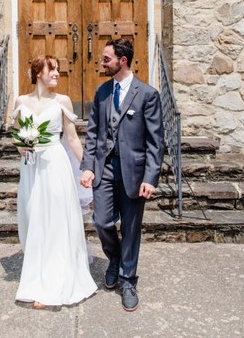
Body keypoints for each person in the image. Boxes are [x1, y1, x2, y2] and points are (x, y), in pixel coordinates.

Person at [80, 38, 164, 312]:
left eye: (106, 59)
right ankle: (114, 258)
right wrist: (88, 166)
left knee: (131, 229)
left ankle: (128, 279)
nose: (102, 63)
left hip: (134, 172)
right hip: (104, 169)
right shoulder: (103, 92)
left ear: (122, 61)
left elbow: (156, 141)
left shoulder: (147, 94)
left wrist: (150, 178)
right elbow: (93, 133)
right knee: (102, 221)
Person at [13, 55, 97, 309]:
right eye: (52, 69)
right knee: (33, 218)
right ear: (38, 72)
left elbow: (71, 139)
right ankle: (37, 274)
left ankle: (54, 282)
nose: (57, 73)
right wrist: (25, 147)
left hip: (55, 164)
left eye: (58, 69)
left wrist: (88, 168)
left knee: (56, 219)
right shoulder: (21, 101)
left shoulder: (62, 101)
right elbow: (19, 139)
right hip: (31, 167)